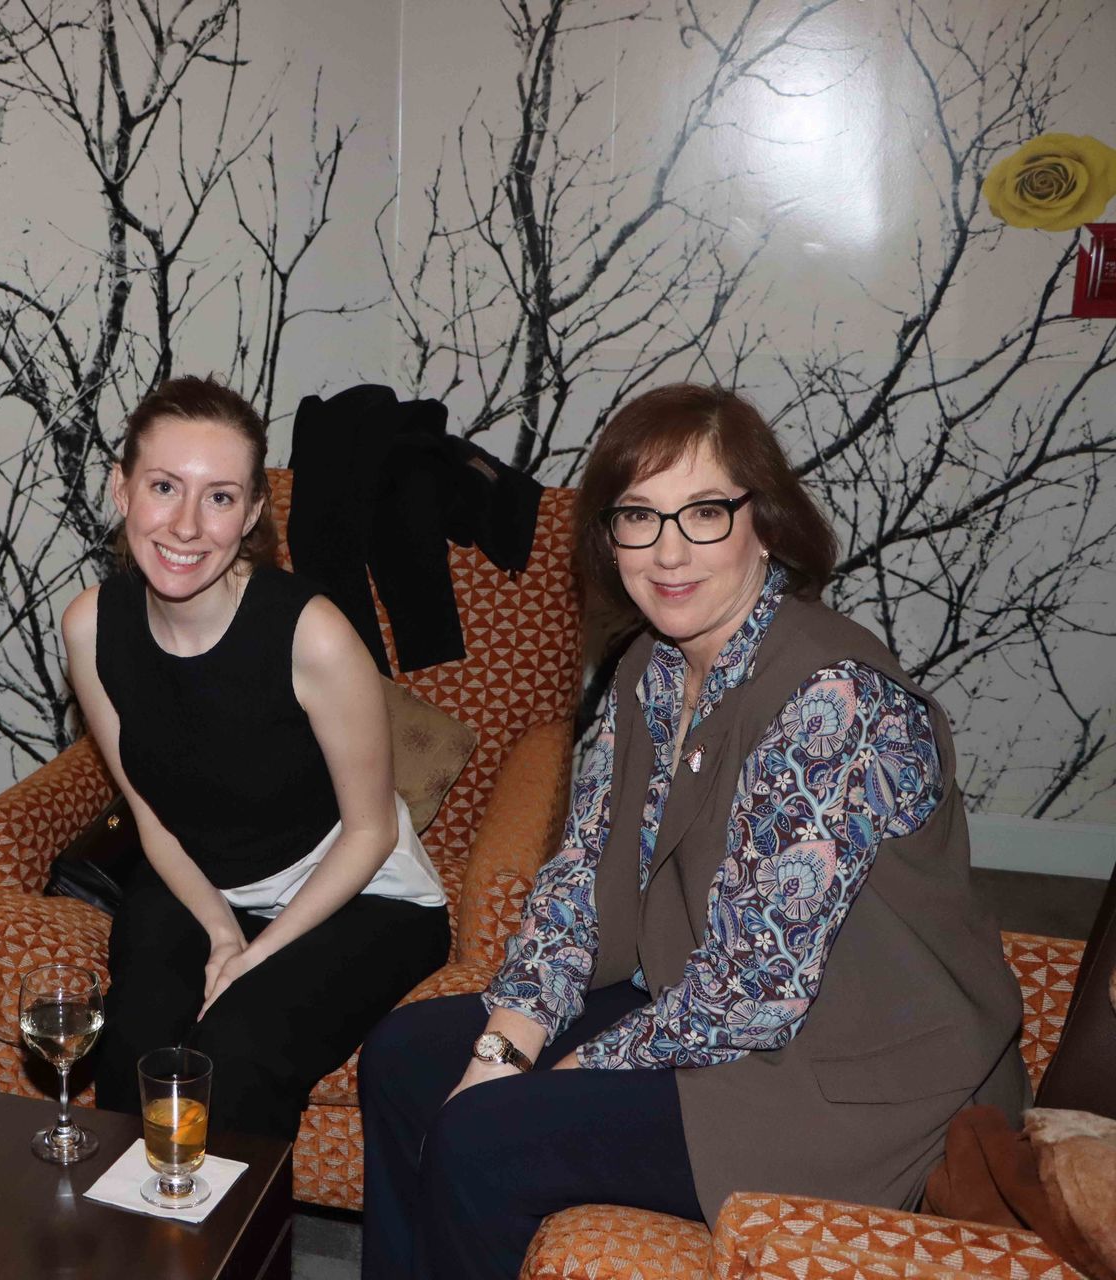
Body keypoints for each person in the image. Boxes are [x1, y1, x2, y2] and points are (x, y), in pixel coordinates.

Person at [358, 383, 1028, 1280]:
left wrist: (556, 1080)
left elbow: (753, 994)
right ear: (609, 535)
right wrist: (503, 1043)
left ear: (767, 523)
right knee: (405, 1059)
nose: (668, 551)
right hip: (703, 1010)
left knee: (489, 1138)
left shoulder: (834, 701)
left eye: (705, 513)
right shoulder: (649, 667)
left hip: (849, 1077)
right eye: (639, 516)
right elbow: (579, 882)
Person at [64, 375, 452, 1144]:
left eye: (219, 497)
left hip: (360, 890)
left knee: (235, 1053)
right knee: (135, 1046)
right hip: (203, 879)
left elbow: (370, 833)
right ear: (121, 490)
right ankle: (127, 1247)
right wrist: (218, 931)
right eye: (164, 487)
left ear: (251, 514)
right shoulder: (90, 626)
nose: (185, 525)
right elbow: (147, 810)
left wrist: (258, 955)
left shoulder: (312, 634)